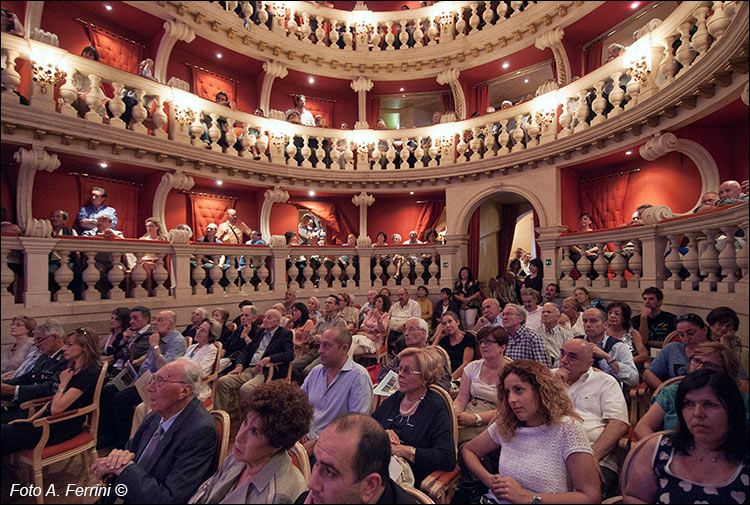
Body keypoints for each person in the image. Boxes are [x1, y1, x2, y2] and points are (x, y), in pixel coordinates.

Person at [461, 360, 600, 504]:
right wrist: (489, 479)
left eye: (519, 390)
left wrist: (528, 498)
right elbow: (469, 450)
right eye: (507, 392)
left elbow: (591, 497)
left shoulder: (567, 428)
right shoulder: (508, 424)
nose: (511, 399)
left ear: (541, 390)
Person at [91, 359, 218, 504]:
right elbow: (129, 452)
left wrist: (124, 468)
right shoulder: (155, 415)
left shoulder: (200, 431)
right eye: (153, 379)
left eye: (160, 381)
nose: (149, 387)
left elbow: (169, 499)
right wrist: (112, 461)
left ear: (184, 391)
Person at [623, 369, 749, 504]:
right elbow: (635, 497)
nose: (697, 413)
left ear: (732, 410)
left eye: (710, 404)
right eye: (689, 403)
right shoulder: (659, 448)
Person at [190, 381, 312, 504]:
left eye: (254, 431)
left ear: (276, 443)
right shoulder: (240, 456)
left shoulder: (278, 497)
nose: (239, 436)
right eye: (245, 422)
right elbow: (205, 493)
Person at [2, 327, 102, 457]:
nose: (64, 348)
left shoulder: (89, 373)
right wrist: (30, 420)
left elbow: (56, 409)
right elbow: (51, 401)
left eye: (70, 345)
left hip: (61, 426)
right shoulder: (72, 368)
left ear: (85, 347)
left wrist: (63, 384)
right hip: (47, 421)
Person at [99, 310, 186, 449]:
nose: (155, 323)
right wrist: (136, 362)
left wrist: (155, 346)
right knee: (107, 391)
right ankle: (107, 435)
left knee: (121, 399)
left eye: (159, 320)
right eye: (155, 319)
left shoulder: (177, 341)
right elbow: (147, 357)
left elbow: (166, 369)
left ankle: (123, 443)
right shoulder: (156, 336)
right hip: (139, 377)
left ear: (170, 324)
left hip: (157, 384)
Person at [554, 339, 629, 499]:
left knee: (581, 496)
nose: (563, 360)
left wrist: (592, 455)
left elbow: (619, 424)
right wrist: (554, 388)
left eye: (572, 356)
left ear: (589, 363)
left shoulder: (605, 382)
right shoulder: (548, 378)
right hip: (549, 452)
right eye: (562, 353)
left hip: (595, 454)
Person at [371, 347, 456, 488]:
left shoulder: (435, 407)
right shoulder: (395, 399)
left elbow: (447, 458)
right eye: (400, 369)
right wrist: (383, 433)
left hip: (407, 481)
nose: (400, 375)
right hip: (379, 467)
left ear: (426, 377)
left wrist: (403, 450)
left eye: (407, 371)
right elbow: (368, 425)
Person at [635, 341, 749, 440]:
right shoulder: (672, 392)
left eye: (710, 365)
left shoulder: (741, 400)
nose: (699, 368)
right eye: (697, 361)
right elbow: (642, 427)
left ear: (725, 371)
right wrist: (664, 449)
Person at [297, 413, 420, 504]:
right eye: (316, 463)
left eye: (329, 472)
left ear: (369, 486)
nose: (311, 484)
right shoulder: (309, 499)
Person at [300, 327, 372, 455]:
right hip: (305, 438)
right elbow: (299, 403)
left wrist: (318, 442)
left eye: (327, 346)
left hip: (334, 447)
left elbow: (355, 425)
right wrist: (300, 428)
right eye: (320, 345)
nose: (320, 350)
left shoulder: (358, 377)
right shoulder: (316, 371)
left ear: (344, 349)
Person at [214, 309, 293, 421]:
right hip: (249, 369)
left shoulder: (285, 334)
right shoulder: (261, 332)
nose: (264, 320)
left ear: (277, 322)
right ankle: (221, 419)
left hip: (266, 372)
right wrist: (240, 365)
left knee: (246, 389)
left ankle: (250, 420)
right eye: (264, 316)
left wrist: (269, 359)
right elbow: (246, 350)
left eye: (269, 317)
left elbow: (289, 354)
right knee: (222, 382)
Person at [1, 319, 68, 421]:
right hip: (24, 404)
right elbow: (27, 378)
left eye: (40, 340)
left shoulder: (66, 359)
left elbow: (49, 388)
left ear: (54, 337)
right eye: (35, 341)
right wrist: (5, 383)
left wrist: (14, 390)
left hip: (39, 412)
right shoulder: (44, 357)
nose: (37, 345)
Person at [455, 326, 509, 444]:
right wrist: (454, 412)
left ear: (502, 347)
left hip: (496, 419)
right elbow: (461, 398)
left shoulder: (512, 372)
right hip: (469, 412)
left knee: (463, 443)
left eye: (488, 341)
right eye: (481, 342)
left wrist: (476, 418)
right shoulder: (472, 367)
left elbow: (507, 410)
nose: (483, 346)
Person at [378, 317, 452, 392]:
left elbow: (444, 384)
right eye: (405, 330)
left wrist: (416, 387)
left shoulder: (434, 356)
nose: (406, 333)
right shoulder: (404, 355)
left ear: (423, 333)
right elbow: (383, 374)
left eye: (411, 329)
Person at [644, 313, 711, 390]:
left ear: (705, 330)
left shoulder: (714, 352)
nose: (686, 338)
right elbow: (648, 374)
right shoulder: (672, 348)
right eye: (681, 335)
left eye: (691, 333)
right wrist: (665, 391)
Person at [292, 295, 348, 383]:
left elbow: (335, 340)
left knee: (308, 370)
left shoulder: (340, 322)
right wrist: (322, 339)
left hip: (329, 352)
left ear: (336, 306)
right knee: (293, 365)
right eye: (326, 302)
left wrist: (320, 338)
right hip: (315, 350)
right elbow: (310, 336)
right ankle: (302, 388)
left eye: (330, 303)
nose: (326, 304)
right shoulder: (320, 321)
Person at [580, 308, 639, 387]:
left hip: (607, 391)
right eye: (585, 321)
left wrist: (608, 357)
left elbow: (634, 380)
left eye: (593, 321)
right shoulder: (575, 343)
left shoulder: (618, 347)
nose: (588, 325)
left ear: (606, 325)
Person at [184, 318, 220, 401]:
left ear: (211, 335)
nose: (198, 331)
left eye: (203, 330)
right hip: (183, 381)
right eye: (199, 328)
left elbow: (202, 372)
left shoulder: (211, 349)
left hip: (197, 387)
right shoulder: (192, 347)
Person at [432, 311, 475, 380]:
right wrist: (438, 338)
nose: (448, 325)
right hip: (445, 376)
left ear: (457, 322)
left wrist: (450, 379)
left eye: (450, 321)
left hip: (463, 376)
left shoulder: (468, 338)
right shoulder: (444, 340)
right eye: (444, 324)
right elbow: (429, 357)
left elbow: (466, 363)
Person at [605, 301, 648, 368]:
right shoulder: (602, 331)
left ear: (624, 318)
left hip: (626, 367)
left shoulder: (633, 333)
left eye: (617, 314)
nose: (612, 316)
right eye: (610, 313)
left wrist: (625, 362)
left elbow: (644, 355)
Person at [351, 293, 390, 358]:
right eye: (376, 301)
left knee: (350, 348)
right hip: (363, 338)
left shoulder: (386, 316)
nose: (376, 303)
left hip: (374, 342)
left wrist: (378, 318)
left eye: (379, 302)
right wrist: (372, 329)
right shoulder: (370, 313)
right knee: (350, 345)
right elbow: (362, 326)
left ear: (384, 304)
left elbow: (382, 330)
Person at [387, 288, 421, 354]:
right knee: (382, 338)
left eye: (402, 295)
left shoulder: (414, 305)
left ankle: (401, 359)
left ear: (407, 295)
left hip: (407, 330)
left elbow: (416, 320)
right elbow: (388, 317)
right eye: (399, 295)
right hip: (393, 330)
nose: (400, 297)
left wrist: (404, 326)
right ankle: (388, 358)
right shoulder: (395, 306)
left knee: (401, 341)